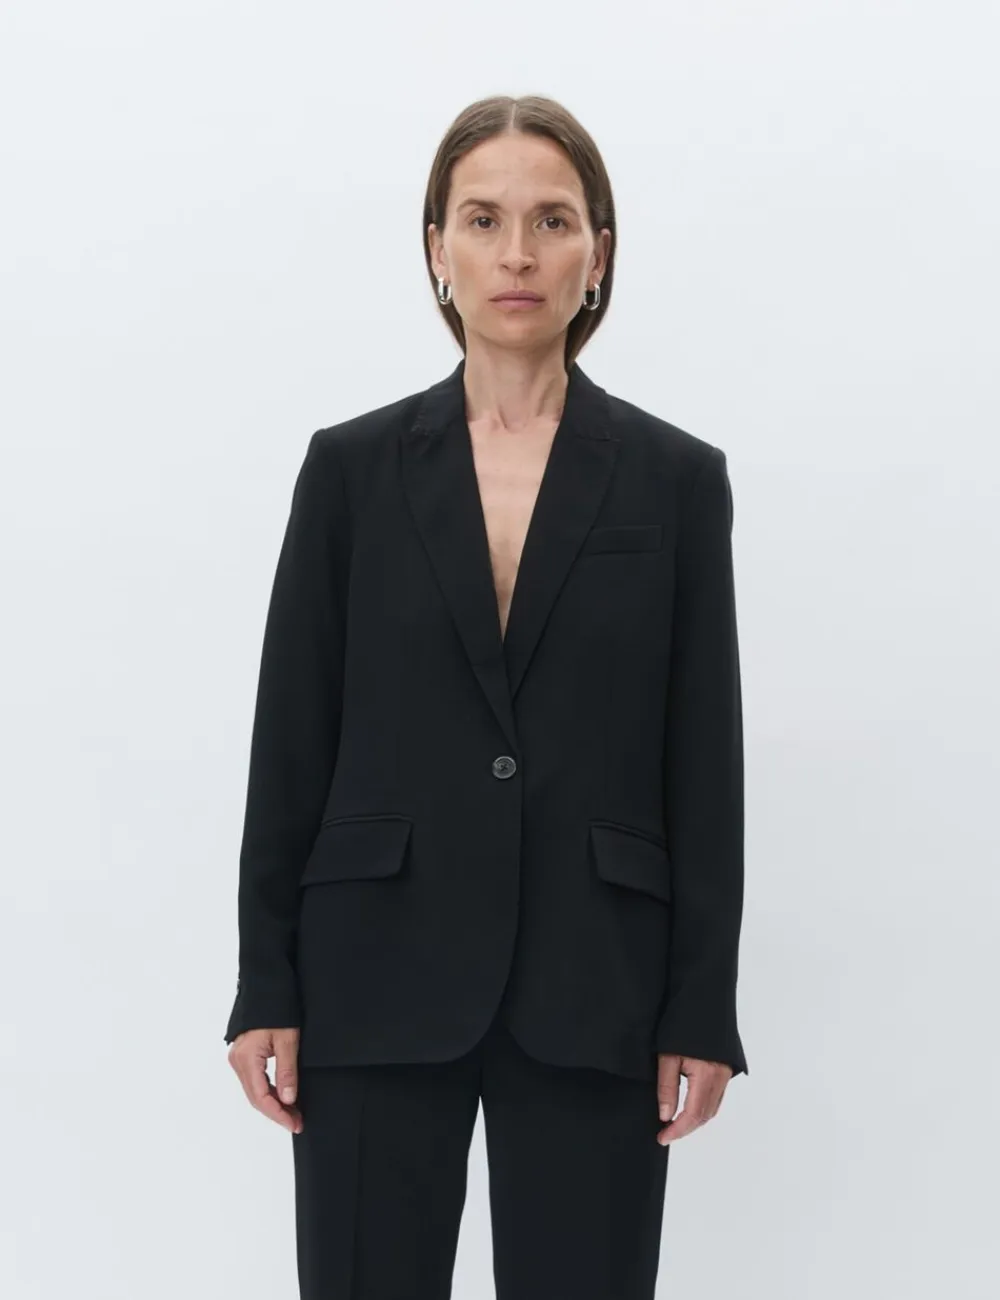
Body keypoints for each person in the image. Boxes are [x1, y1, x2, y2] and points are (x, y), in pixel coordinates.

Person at [224, 92, 749, 1300]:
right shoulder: (350, 471)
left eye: (551, 220)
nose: (517, 253)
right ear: (436, 249)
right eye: (483, 219)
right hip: (370, 970)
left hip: (596, 982)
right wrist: (266, 978)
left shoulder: (675, 480)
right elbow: (291, 736)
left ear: (597, 254)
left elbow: (702, 757)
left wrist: (700, 1003)